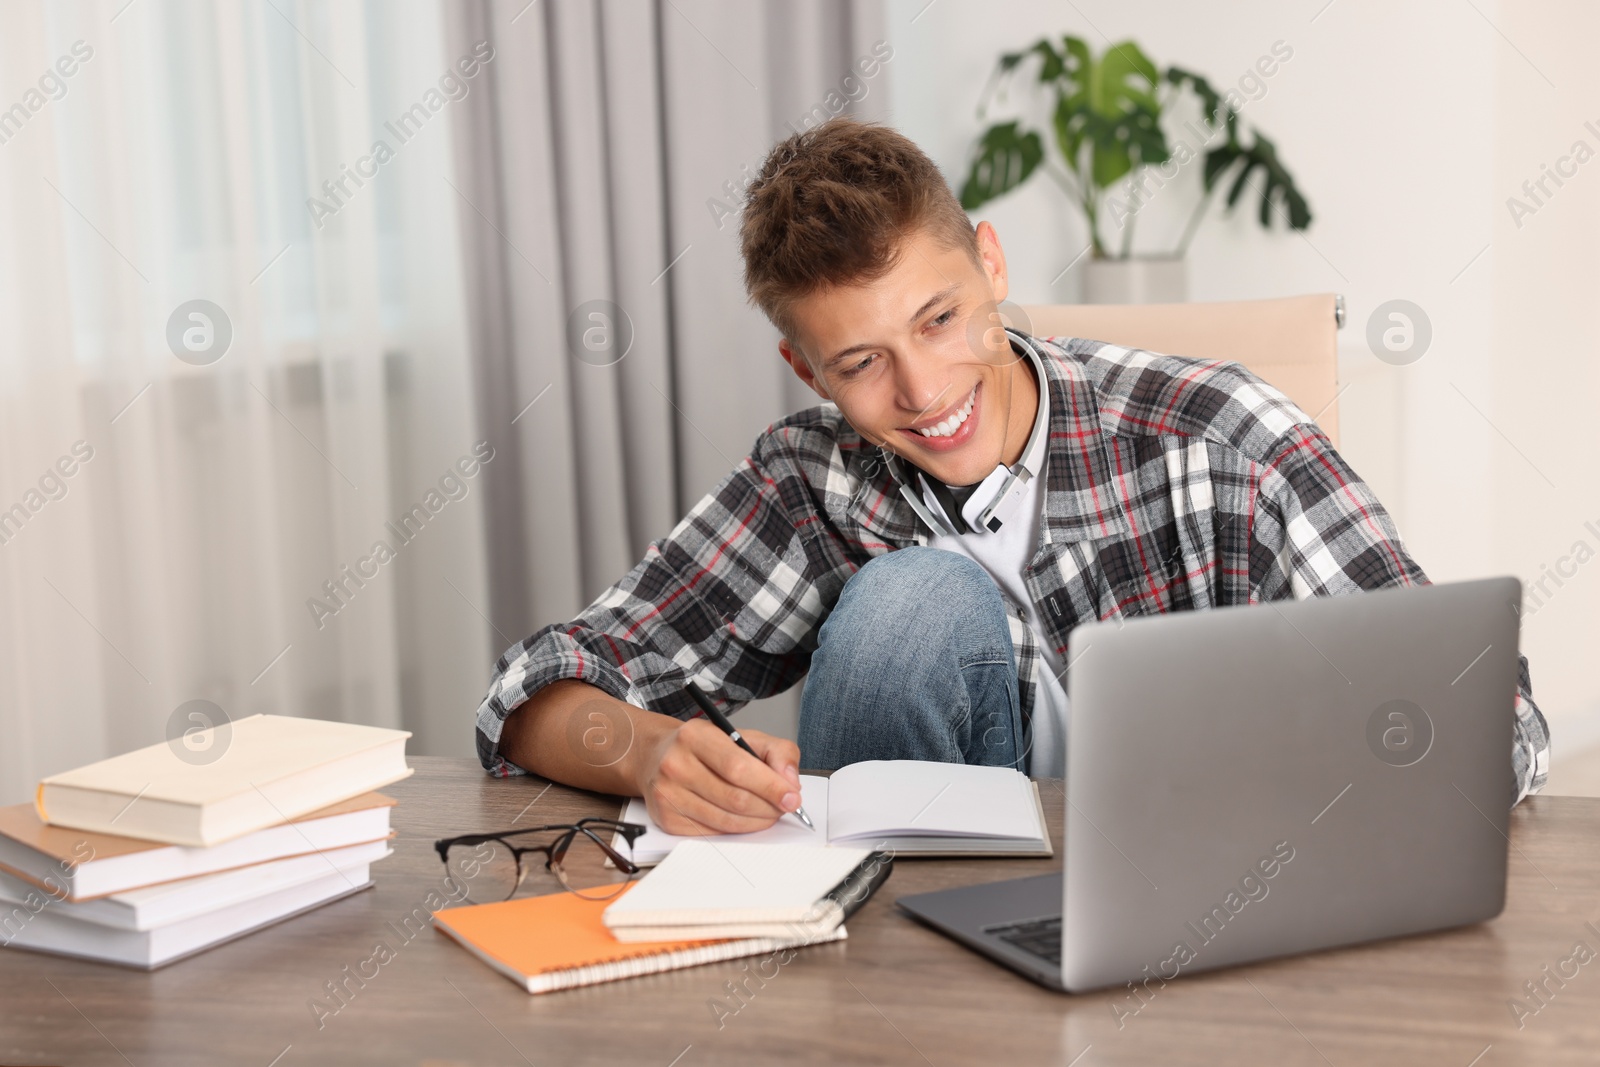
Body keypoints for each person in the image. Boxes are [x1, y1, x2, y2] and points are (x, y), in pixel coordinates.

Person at [472, 117, 1550, 837]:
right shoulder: (812, 480)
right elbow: (532, 691)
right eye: (860, 363)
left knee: (915, 592)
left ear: (991, 264)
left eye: (939, 319)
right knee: (916, 595)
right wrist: (653, 747)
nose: (924, 386)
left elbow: (1487, 721)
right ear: (807, 368)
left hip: (1214, 895)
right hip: (917, 938)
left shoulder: (1220, 438)